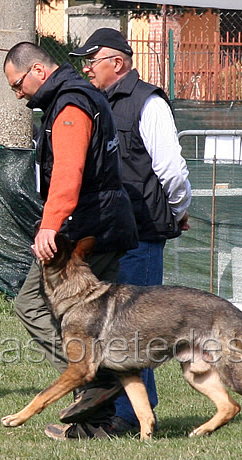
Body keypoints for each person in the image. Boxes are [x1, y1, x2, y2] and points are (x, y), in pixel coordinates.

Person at [3, 42, 139, 440]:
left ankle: (95, 376)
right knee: (100, 325)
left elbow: (68, 171)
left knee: (32, 301)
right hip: (105, 222)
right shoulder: (84, 94)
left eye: (17, 84)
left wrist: (50, 225)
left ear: (38, 72)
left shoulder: (70, 105)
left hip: (84, 229)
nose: (17, 94)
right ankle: (97, 423)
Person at [69, 28, 192, 434]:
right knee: (108, 327)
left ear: (118, 62)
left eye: (93, 60)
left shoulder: (149, 102)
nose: (86, 68)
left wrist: (176, 212)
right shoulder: (96, 102)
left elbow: (172, 170)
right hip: (105, 234)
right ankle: (112, 410)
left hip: (140, 235)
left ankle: (131, 414)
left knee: (133, 328)